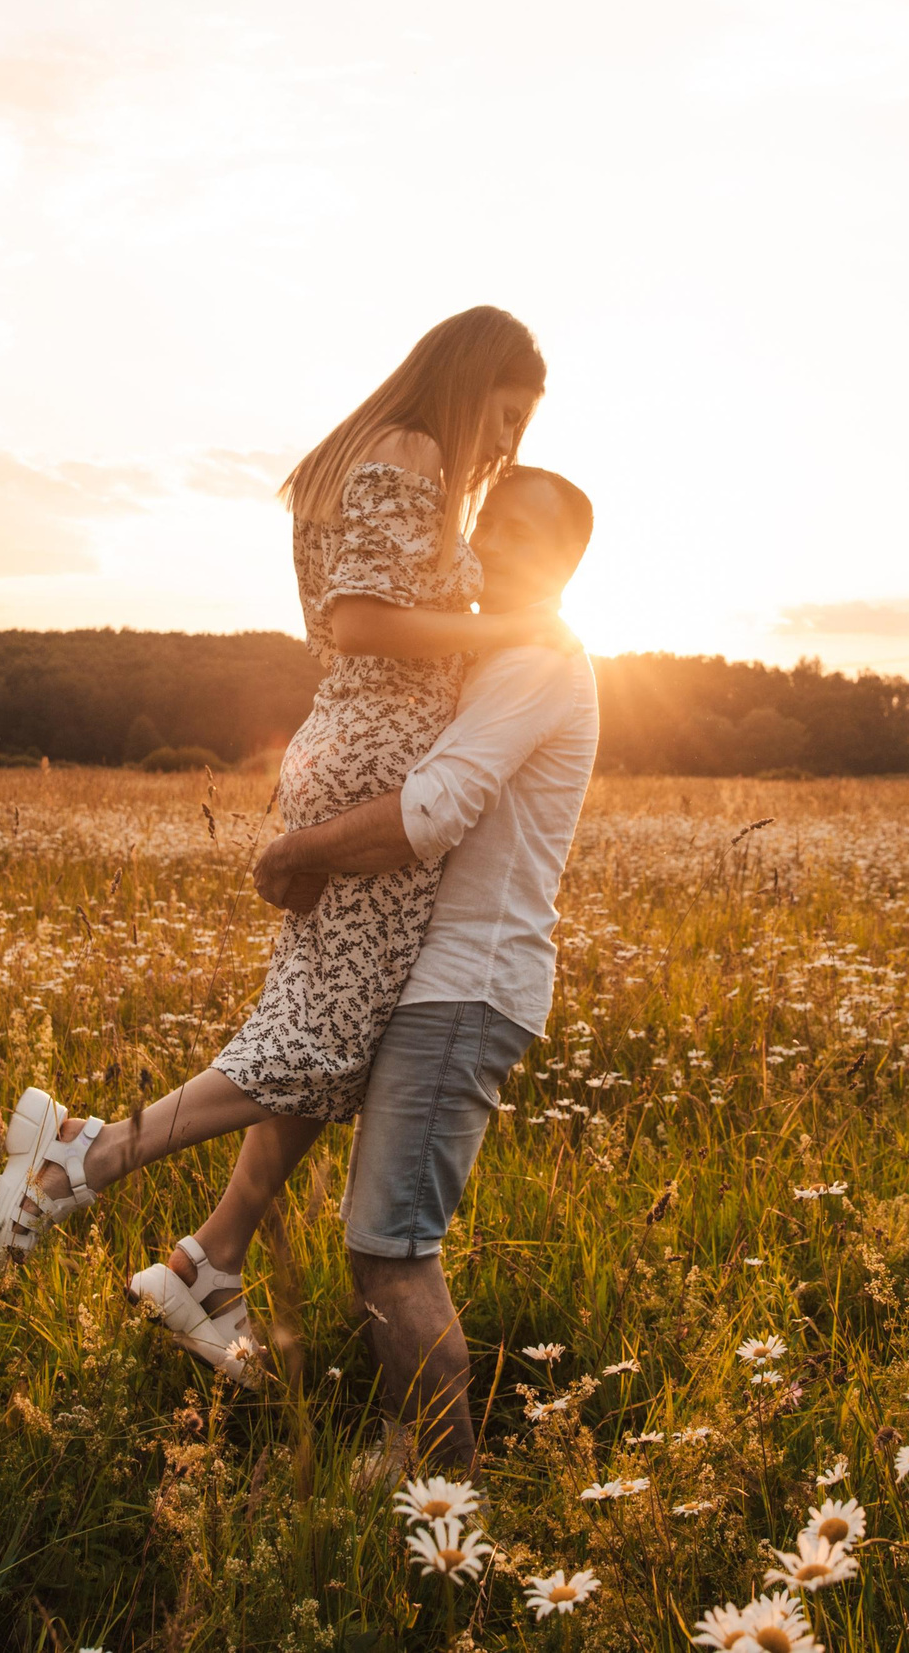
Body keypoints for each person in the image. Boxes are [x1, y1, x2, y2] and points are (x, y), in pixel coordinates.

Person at [0, 308, 564, 1383]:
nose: (505, 443)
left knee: (325, 1031)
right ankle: (89, 1151)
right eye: (506, 414)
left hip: (349, 739)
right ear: (468, 378)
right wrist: (506, 628)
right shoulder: (410, 450)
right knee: (325, 1047)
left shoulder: (362, 454)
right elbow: (361, 619)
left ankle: (210, 1263)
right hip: (380, 758)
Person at [249, 465, 599, 1469]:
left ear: (569, 565)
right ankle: (418, 1469)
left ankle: (442, 1489)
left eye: (528, 535)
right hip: (437, 982)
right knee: (383, 1240)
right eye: (492, 522)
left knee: (392, 1250)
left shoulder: (537, 661)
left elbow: (433, 809)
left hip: (465, 988)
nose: (495, 544)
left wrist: (299, 852)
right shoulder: (486, 654)